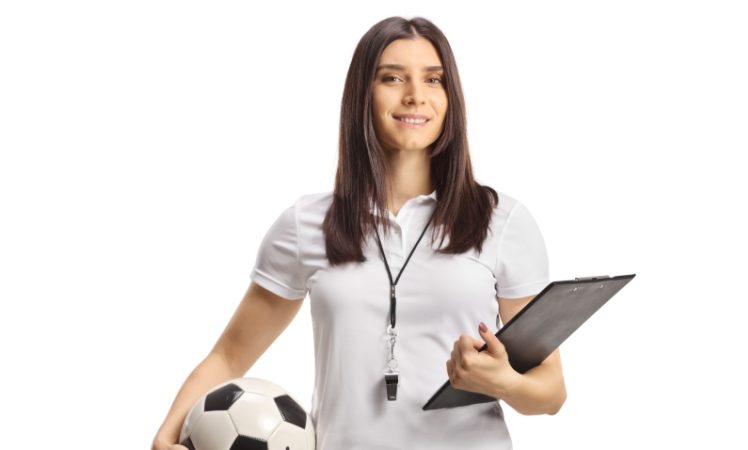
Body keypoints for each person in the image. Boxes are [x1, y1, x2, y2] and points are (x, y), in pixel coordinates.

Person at [152, 15, 567, 450]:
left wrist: (503, 382)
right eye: (392, 78)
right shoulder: (306, 224)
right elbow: (229, 356)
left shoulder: (501, 221)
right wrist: (165, 435)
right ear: (362, 94)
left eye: (434, 79)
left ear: (451, 97)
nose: (415, 96)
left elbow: (551, 391)